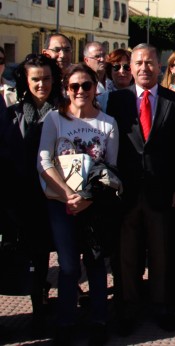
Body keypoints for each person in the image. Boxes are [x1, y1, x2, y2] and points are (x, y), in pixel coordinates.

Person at [106, 43, 175, 335]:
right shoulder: (115, 101)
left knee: (161, 254)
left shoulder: (174, 102)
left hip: (162, 191)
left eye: (149, 63)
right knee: (127, 256)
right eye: (137, 63)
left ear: (159, 66)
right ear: (131, 66)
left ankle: (161, 308)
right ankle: (127, 309)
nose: (143, 68)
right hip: (126, 192)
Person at [38, 63, 118, 345]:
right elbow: (44, 160)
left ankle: (98, 320)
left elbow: (110, 167)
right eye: (75, 86)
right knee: (69, 267)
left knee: (96, 263)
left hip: (93, 206)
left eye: (87, 85)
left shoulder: (107, 123)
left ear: (96, 88)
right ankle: (66, 322)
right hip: (60, 203)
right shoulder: (54, 120)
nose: (81, 91)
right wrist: (66, 195)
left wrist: (87, 198)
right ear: (66, 89)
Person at [0, 54, 62, 334]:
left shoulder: (62, 112)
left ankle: (49, 311)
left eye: (46, 79)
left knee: (50, 258)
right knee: (30, 259)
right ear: (25, 80)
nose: (41, 85)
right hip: (21, 201)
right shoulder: (11, 114)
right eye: (35, 79)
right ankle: (36, 308)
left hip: (53, 197)